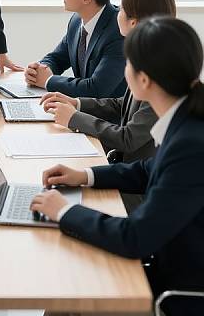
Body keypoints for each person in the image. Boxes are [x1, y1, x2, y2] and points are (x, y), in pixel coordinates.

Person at [31, 17, 204, 316]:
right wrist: (84, 176)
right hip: (165, 260)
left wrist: (64, 211)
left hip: (177, 292)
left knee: (68, 289)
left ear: (144, 80)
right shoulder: (185, 119)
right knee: (65, 292)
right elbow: (148, 170)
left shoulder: (191, 141)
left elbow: (134, 237)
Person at [41, 0, 176, 212]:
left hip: (139, 194)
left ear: (133, 22)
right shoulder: (148, 58)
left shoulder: (160, 73)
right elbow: (122, 104)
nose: (116, 12)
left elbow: (128, 138)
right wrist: (77, 103)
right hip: (127, 174)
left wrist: (74, 118)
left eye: (121, 9)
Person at [25, 0, 126, 98]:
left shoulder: (119, 31)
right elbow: (57, 58)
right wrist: (37, 70)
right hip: (81, 110)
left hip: (109, 117)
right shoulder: (77, 20)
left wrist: (48, 80)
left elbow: (96, 89)